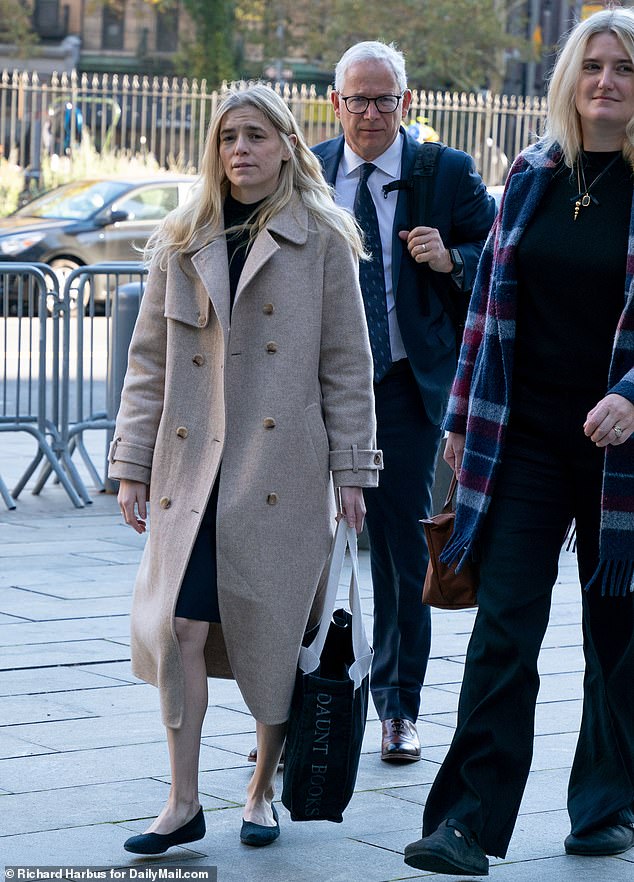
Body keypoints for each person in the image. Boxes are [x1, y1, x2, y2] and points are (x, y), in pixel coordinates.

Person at [108, 83, 382, 855]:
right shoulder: (181, 234)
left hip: (282, 469)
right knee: (181, 627)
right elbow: (148, 365)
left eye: (256, 135)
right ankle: (182, 801)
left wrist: (353, 472)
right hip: (193, 471)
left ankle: (261, 791)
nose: (240, 150)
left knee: (272, 636)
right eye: (228, 137)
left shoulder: (323, 239)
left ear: (288, 145)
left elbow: (346, 365)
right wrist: (132, 463)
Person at [404, 8, 634, 876]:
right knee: (504, 630)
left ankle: (606, 804)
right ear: (569, 79)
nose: (606, 81)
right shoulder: (535, 173)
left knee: (619, 635)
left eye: (624, 68)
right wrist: (462, 416)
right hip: (524, 441)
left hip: (624, 456)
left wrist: (632, 396)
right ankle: (466, 820)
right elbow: (487, 313)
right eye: (592, 66)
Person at [313, 41, 495, 761]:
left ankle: (396, 709)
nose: (370, 112)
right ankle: (297, 713)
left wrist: (452, 258)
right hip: (312, 392)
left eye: (384, 98)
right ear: (336, 104)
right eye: (357, 99)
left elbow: (501, 263)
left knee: (396, 555)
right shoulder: (311, 170)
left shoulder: (442, 172)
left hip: (403, 388)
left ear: (407, 103)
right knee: (296, 553)